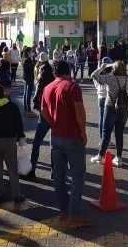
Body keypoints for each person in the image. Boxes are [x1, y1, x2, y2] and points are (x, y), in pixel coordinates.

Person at [40, 60, 93, 228]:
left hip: (55, 136)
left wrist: (53, 123)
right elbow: (79, 110)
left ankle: (64, 209)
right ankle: (74, 214)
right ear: (67, 72)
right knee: (77, 175)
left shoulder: (47, 88)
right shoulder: (72, 87)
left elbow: (43, 111)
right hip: (72, 136)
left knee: (59, 174)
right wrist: (83, 131)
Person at [90, 60, 128, 167]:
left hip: (111, 107)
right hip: (124, 109)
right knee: (119, 133)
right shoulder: (127, 80)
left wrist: (102, 68)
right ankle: (118, 158)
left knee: (106, 132)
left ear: (114, 68)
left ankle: (100, 155)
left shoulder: (111, 78)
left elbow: (93, 75)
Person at [0, 83, 26, 204]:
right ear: (3, 92)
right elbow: (18, 124)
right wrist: (20, 136)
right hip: (8, 140)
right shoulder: (12, 106)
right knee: (12, 169)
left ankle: (0, 194)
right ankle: (17, 195)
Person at [29, 61, 55, 180]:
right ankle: (54, 171)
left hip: (44, 115)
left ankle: (32, 169)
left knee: (36, 143)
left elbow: (35, 100)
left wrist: (40, 111)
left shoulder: (41, 83)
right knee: (53, 144)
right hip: (55, 115)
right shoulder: (55, 83)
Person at [92, 57, 112, 143]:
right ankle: (105, 139)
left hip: (100, 97)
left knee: (102, 119)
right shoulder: (110, 75)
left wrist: (100, 68)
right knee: (107, 120)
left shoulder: (97, 75)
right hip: (107, 98)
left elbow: (93, 77)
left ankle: (102, 138)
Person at [21, 47, 36, 116]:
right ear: (28, 52)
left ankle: (25, 109)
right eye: (31, 51)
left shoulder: (24, 59)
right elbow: (31, 68)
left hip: (25, 77)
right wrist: (35, 63)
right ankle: (28, 110)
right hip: (29, 77)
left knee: (25, 94)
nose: (32, 52)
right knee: (28, 95)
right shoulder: (28, 60)